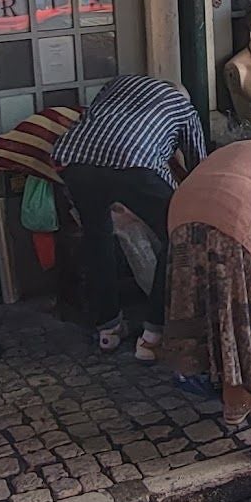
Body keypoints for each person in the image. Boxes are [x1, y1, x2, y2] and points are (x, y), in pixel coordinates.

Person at [163, 140, 251, 460]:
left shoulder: (243, 151)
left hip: (182, 212)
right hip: (232, 217)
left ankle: (234, 400)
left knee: (213, 307)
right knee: (248, 316)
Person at [53, 76, 206, 358]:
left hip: (77, 161)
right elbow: (199, 170)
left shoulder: (118, 84)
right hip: (134, 164)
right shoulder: (184, 110)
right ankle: (152, 336)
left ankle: (108, 329)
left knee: (97, 237)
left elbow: (94, 119)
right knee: (177, 235)